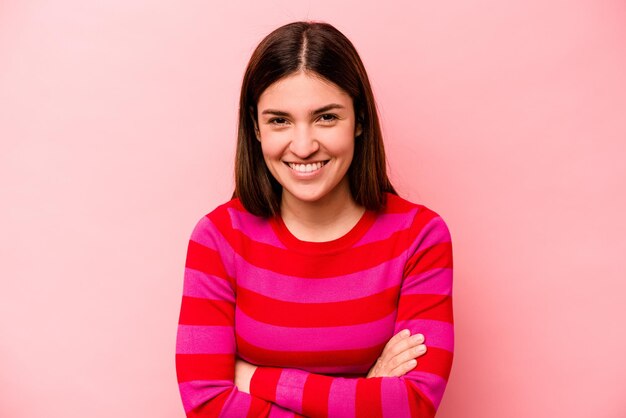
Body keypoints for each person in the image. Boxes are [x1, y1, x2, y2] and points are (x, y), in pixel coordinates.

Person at [175, 21, 453, 417]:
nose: (303, 146)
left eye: (326, 117)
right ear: (255, 128)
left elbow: (412, 404)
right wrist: (363, 391)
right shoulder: (218, 238)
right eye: (279, 120)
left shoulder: (420, 237)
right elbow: (205, 404)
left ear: (359, 121)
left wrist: (254, 379)